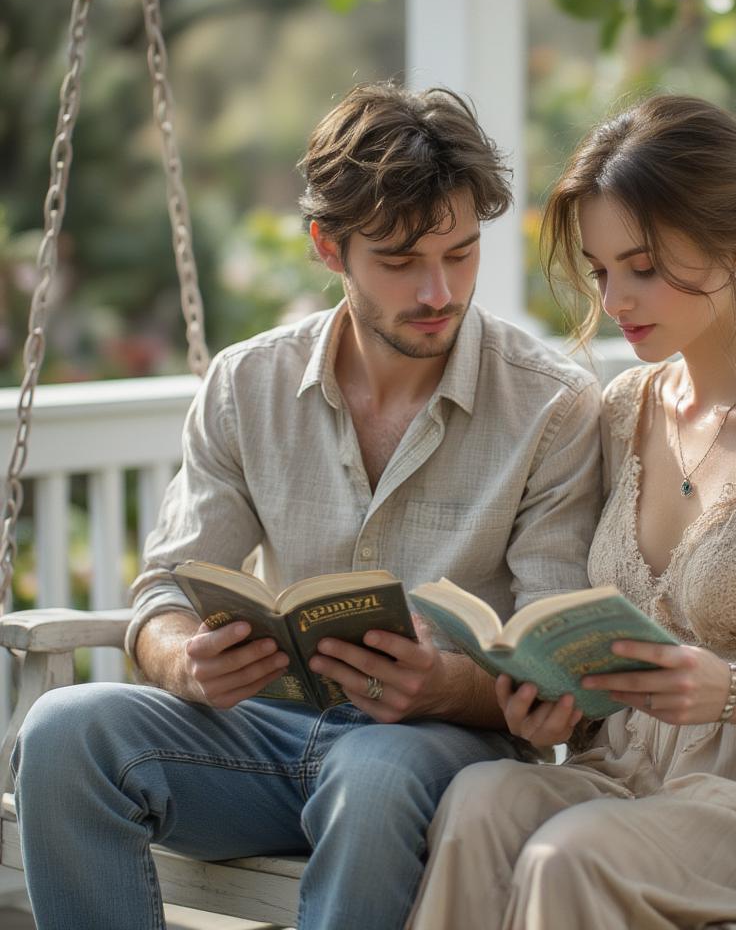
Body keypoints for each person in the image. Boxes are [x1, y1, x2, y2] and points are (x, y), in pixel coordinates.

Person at [12, 83, 602, 930]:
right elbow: (165, 591)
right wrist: (184, 660)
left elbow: (550, 656)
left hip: (436, 754)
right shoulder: (246, 384)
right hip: (263, 741)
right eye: (400, 262)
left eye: (462, 254)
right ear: (330, 246)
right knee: (64, 730)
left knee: (374, 776)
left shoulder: (552, 406)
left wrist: (448, 683)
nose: (439, 291)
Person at [409, 94, 736, 929]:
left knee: (572, 853)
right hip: (632, 780)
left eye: (645, 266)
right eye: (600, 270)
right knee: (480, 800)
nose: (617, 297)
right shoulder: (627, 410)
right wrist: (555, 699)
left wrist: (733, 691)